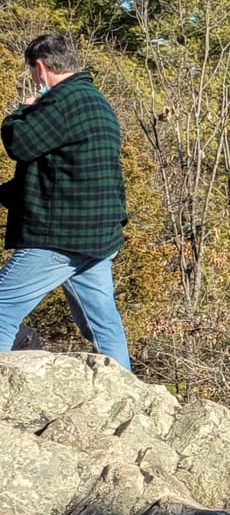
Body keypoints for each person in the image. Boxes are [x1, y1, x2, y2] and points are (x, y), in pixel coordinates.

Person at [0, 34, 132, 369]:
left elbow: (20, 143)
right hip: (98, 234)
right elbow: (59, 174)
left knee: (1, 307)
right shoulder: (96, 101)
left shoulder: (62, 102)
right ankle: (128, 395)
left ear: (40, 69)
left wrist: (20, 112)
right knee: (102, 323)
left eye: (32, 72)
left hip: (60, 237)